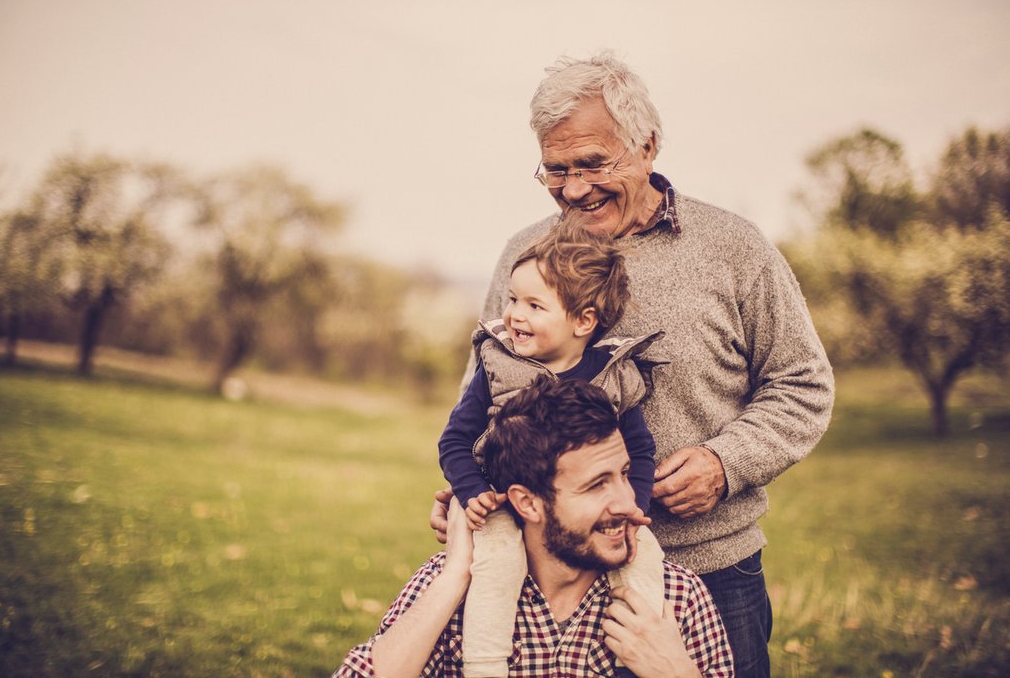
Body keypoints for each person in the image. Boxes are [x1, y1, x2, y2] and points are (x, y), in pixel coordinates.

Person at [431, 52, 835, 678]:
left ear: (647, 146)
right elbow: (486, 396)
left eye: (592, 163)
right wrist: (471, 485)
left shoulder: (734, 248)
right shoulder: (525, 254)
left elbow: (802, 384)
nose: (573, 188)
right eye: (555, 170)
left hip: (706, 568)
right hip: (546, 581)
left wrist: (726, 464)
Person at [332, 377, 734, 678]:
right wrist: (455, 574)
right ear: (527, 502)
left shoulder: (677, 599)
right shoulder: (453, 587)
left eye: (624, 474)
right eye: (596, 485)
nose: (629, 504)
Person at [437, 220, 667, 678]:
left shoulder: (612, 374)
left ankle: (638, 656)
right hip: (504, 504)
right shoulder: (498, 366)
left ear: (584, 321)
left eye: (534, 305)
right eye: (512, 300)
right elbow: (455, 439)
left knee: (646, 561)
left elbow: (639, 451)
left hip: (589, 516)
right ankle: (484, 665)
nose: (514, 315)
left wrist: (634, 507)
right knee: (497, 564)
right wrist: (471, 490)